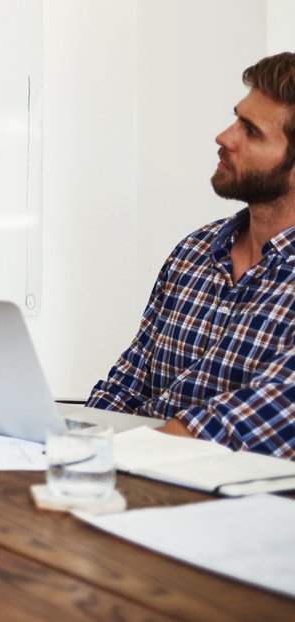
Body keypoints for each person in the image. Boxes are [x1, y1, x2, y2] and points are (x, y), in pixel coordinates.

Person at [86, 53, 295, 459]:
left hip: (231, 502)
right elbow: (130, 380)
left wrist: (112, 455)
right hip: (128, 471)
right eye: (237, 118)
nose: (224, 137)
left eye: (250, 132)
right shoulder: (195, 250)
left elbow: (251, 421)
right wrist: (69, 445)